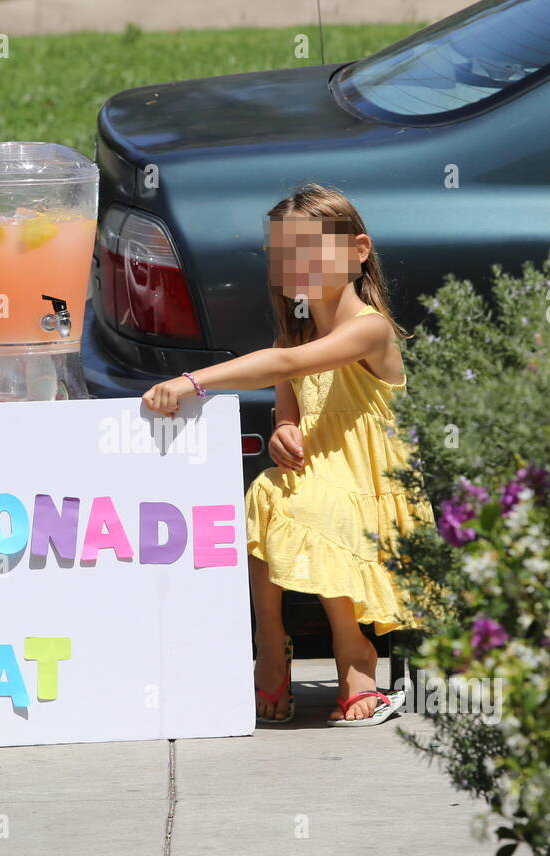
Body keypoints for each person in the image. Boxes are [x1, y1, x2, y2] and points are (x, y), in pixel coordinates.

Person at [141, 183, 435, 727]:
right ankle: (272, 645)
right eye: (284, 254)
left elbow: (283, 368)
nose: (296, 264)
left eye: (310, 248)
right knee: (265, 494)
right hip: (315, 480)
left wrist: (192, 381)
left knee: (310, 508)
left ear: (358, 250)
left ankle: (354, 654)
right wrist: (283, 429)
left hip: (370, 493)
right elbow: (288, 404)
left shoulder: (369, 330)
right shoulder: (294, 334)